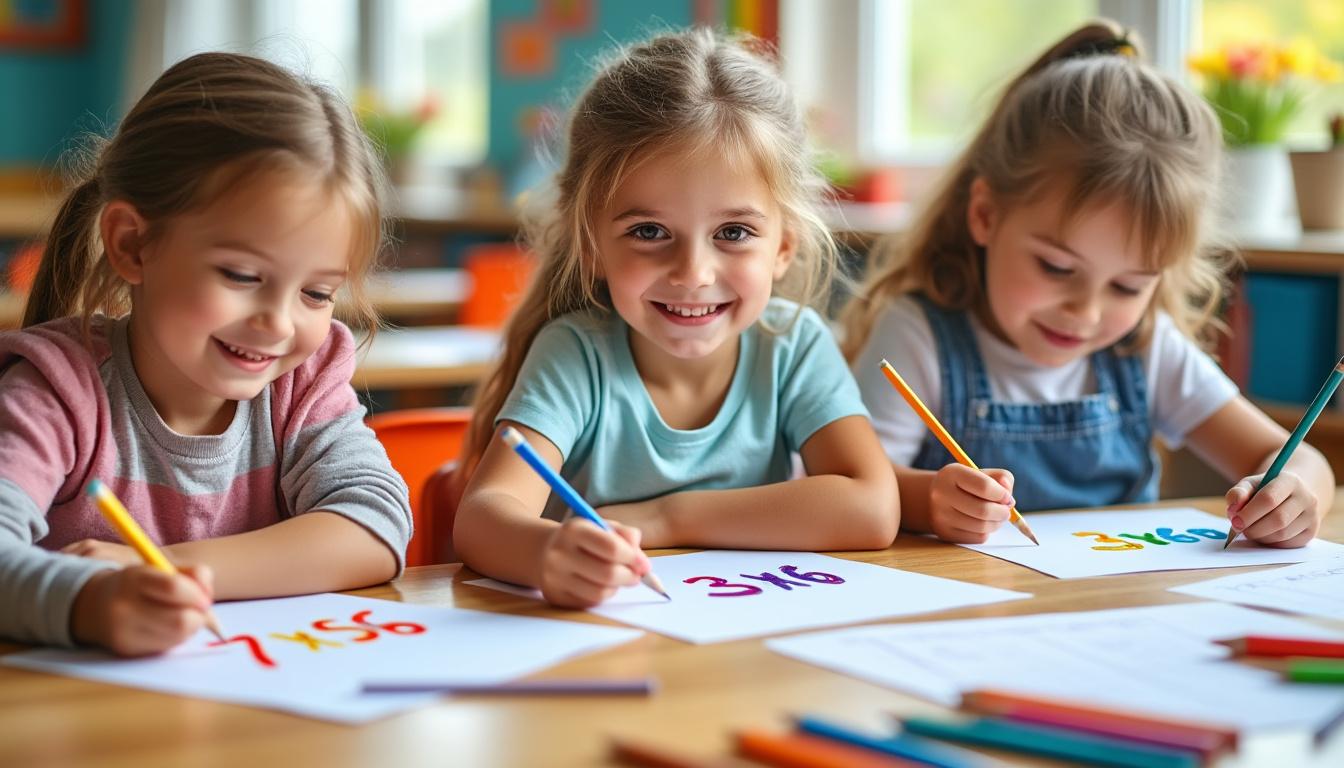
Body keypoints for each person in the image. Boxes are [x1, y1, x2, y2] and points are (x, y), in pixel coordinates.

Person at [452, 29, 898, 608]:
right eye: (649, 232)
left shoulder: (793, 345)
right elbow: (483, 519)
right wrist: (548, 555)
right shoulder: (576, 354)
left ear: (783, 245)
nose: (693, 272)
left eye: (733, 233)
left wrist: (667, 517)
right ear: (590, 243)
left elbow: (870, 507)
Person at [843, 21, 1333, 547]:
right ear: (985, 214)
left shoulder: (1147, 347)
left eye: (1128, 287)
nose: (1087, 312)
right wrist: (928, 500)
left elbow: (1300, 457)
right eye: (1056, 268)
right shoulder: (919, 335)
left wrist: (1295, 492)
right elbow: (857, 488)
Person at [0, 53, 412, 655]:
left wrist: (167, 569)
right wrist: (89, 602)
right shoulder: (59, 390)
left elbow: (374, 527)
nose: (277, 322)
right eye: (242, 275)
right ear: (133, 245)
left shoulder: (302, 381)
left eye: (317, 293)